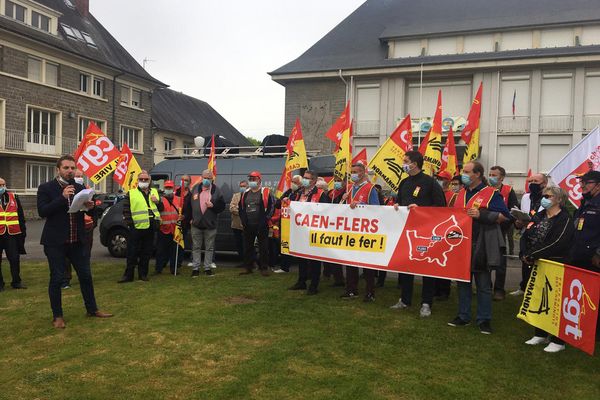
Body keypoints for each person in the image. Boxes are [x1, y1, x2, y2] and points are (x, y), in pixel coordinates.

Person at [37, 155, 112, 329]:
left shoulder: (79, 187)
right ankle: (57, 316)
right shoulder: (46, 188)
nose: (70, 171)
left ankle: (92, 309)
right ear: (58, 169)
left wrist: (90, 207)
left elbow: (86, 213)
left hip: (77, 240)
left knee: (85, 276)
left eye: (72, 168)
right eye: (66, 168)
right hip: (55, 242)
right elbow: (43, 211)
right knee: (57, 278)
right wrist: (62, 198)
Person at [447, 161, 510, 334]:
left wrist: (482, 215)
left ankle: (484, 319)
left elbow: (505, 216)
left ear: (477, 174)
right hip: (461, 242)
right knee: (463, 282)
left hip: (481, 243)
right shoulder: (460, 193)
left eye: (467, 172)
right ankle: (463, 316)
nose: (463, 174)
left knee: (483, 284)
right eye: (463, 171)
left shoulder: (491, 193)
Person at [390, 151, 446, 316]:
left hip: (427, 232)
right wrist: (397, 207)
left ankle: (426, 303)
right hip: (408, 231)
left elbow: (441, 207)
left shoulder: (430, 183)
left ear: (415, 163)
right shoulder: (405, 182)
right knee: (406, 266)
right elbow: (400, 202)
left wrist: (421, 210)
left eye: (406, 161)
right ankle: (405, 300)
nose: (403, 163)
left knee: (426, 268)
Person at [520, 186, 574, 352]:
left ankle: (558, 340)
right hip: (535, 263)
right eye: (544, 196)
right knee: (537, 297)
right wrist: (524, 253)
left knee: (555, 301)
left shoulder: (564, 218)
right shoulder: (539, 215)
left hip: (554, 263)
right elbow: (526, 234)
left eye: (548, 196)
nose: (544, 198)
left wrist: (534, 254)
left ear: (558, 199)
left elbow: (558, 242)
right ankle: (540, 333)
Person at [340, 163, 380, 302]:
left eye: (356, 172)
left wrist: (361, 205)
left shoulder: (370, 189)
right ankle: (351, 290)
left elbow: (377, 209)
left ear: (363, 173)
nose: (353, 174)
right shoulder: (349, 188)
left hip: (366, 231)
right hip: (351, 230)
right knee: (350, 262)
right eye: (352, 171)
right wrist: (343, 200)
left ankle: (370, 292)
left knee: (367, 263)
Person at [569, 170, 600, 344]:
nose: (582, 186)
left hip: (594, 259)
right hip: (580, 257)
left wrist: (598, 253)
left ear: (598, 185)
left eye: (586, 182)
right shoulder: (585, 203)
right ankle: (584, 327)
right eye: (581, 183)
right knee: (585, 296)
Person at [288, 170, 329, 295]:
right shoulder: (298, 193)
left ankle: (314, 285)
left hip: (314, 231)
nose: (304, 180)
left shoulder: (321, 194)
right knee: (301, 258)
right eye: (304, 177)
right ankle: (301, 281)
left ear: (314, 181)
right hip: (301, 230)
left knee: (314, 259)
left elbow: (327, 212)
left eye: (307, 178)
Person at [119, 170, 163, 283]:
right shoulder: (132, 193)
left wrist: (157, 201)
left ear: (150, 180)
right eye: (141, 179)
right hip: (136, 227)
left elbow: (161, 208)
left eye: (146, 179)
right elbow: (126, 209)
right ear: (137, 180)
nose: (143, 181)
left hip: (151, 227)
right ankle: (128, 275)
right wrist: (130, 224)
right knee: (132, 252)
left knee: (146, 252)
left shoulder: (154, 191)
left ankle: (143, 274)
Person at [510, 173, 548, 296]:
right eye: (530, 180)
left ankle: (539, 289)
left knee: (539, 262)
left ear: (544, 184)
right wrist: (518, 223)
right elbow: (523, 213)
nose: (532, 183)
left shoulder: (548, 199)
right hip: (526, 234)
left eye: (535, 181)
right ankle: (524, 287)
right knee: (525, 260)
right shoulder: (526, 197)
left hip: (541, 236)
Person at [183, 169, 225, 277]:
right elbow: (188, 205)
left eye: (208, 178)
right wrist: (189, 218)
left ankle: (207, 268)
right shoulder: (195, 188)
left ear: (212, 179)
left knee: (209, 248)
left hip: (210, 225)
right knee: (196, 247)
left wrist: (213, 206)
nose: (206, 180)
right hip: (196, 224)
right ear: (201, 177)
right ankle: (195, 268)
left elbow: (222, 207)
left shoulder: (217, 191)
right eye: (205, 178)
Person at [488, 165, 520, 300]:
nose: (491, 177)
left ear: (501, 177)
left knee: (500, 261)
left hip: (502, 229)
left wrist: (504, 221)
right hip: (487, 228)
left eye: (494, 175)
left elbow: (513, 210)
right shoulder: (485, 190)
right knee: (486, 261)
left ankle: (499, 290)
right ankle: (486, 288)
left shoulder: (508, 191)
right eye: (490, 174)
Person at [62, 169, 95, 289]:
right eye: (77, 176)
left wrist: (93, 219)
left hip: (87, 227)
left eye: (81, 176)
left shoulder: (86, 189)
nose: (79, 178)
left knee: (86, 254)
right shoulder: (67, 190)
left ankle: (86, 277)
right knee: (67, 256)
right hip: (72, 227)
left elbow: (94, 209)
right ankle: (66, 279)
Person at [238, 170, 274, 276]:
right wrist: (244, 221)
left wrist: (265, 221)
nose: (251, 181)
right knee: (247, 247)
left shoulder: (266, 192)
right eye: (250, 179)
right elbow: (241, 208)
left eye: (253, 179)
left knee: (263, 247)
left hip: (261, 225)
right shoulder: (245, 193)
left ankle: (264, 268)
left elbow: (271, 208)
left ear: (259, 180)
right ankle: (248, 267)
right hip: (248, 225)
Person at [0, 177, 26, 291]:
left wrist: (23, 232)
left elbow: (20, 216)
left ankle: (16, 282)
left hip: (12, 233)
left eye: (3, 185)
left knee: (14, 259)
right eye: (0, 185)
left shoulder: (14, 197)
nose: (2, 187)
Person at [273, 175, 302, 274]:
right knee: (284, 245)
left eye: (295, 182)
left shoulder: (301, 193)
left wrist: (290, 202)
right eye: (292, 182)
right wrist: (283, 200)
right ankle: (284, 267)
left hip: (295, 224)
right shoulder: (289, 192)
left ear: (300, 184)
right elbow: (277, 204)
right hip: (285, 223)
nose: (293, 184)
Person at [322, 176, 346, 286]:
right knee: (328, 252)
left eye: (339, 181)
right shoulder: (331, 193)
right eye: (335, 181)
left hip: (341, 227)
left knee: (336, 254)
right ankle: (327, 273)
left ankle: (339, 278)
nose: (336, 183)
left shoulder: (346, 193)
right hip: (330, 225)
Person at [155, 180, 181, 275]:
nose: (168, 189)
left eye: (170, 188)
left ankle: (173, 269)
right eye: (167, 188)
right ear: (164, 188)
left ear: (173, 188)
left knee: (174, 251)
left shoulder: (178, 199)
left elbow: (182, 212)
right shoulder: (160, 200)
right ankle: (158, 269)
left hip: (175, 230)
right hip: (163, 229)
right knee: (160, 251)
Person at [230, 180, 248, 264]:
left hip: (247, 225)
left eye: (244, 186)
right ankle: (242, 261)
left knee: (247, 244)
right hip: (236, 225)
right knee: (239, 244)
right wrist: (242, 211)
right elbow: (232, 208)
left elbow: (251, 210)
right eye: (241, 186)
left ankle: (248, 261)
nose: (242, 188)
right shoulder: (236, 196)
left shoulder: (251, 195)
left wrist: (238, 209)